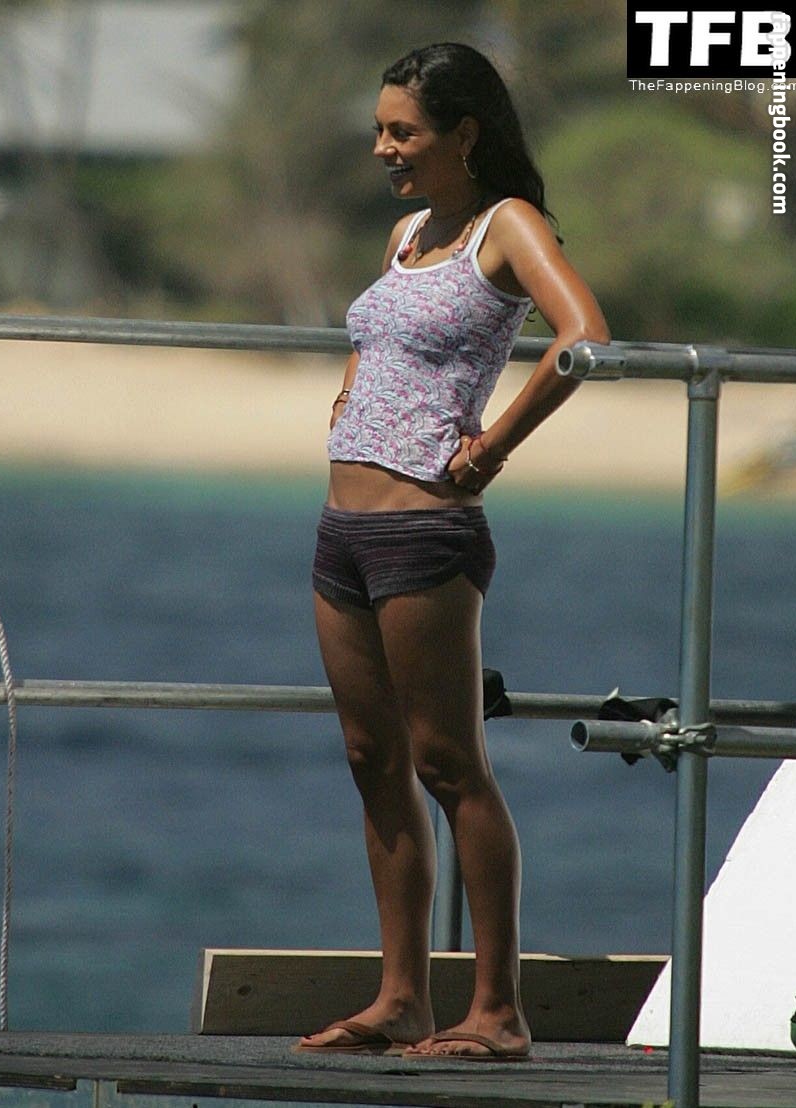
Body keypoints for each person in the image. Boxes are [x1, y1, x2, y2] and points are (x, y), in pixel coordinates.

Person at [298, 42, 609, 1061]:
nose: (384, 148)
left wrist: (494, 445)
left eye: (404, 132)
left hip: (426, 530)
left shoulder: (505, 225)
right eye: (379, 131)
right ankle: (400, 999)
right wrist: (349, 393)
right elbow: (375, 336)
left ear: (464, 133)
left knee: (447, 762)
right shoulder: (406, 233)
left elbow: (582, 337)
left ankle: (498, 1011)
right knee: (370, 759)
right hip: (343, 531)